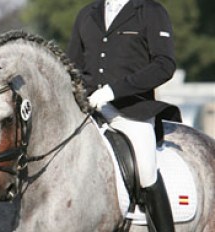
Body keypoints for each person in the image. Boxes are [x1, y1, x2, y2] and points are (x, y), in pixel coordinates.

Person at [68, 0, 182, 231]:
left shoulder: (150, 11)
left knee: (146, 170)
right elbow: (72, 67)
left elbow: (164, 65)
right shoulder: (87, 13)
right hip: (87, 108)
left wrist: (113, 91)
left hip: (130, 110)